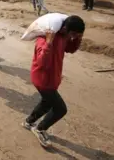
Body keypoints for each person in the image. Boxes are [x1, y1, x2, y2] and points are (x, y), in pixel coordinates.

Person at [22, 15, 85, 148]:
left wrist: (77, 39)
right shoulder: (44, 38)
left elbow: (70, 49)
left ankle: (28, 122)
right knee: (60, 109)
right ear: (65, 28)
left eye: (75, 34)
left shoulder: (63, 36)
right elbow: (41, 63)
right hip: (43, 80)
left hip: (52, 78)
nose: (72, 36)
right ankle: (40, 129)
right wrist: (49, 43)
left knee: (46, 102)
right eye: (72, 33)